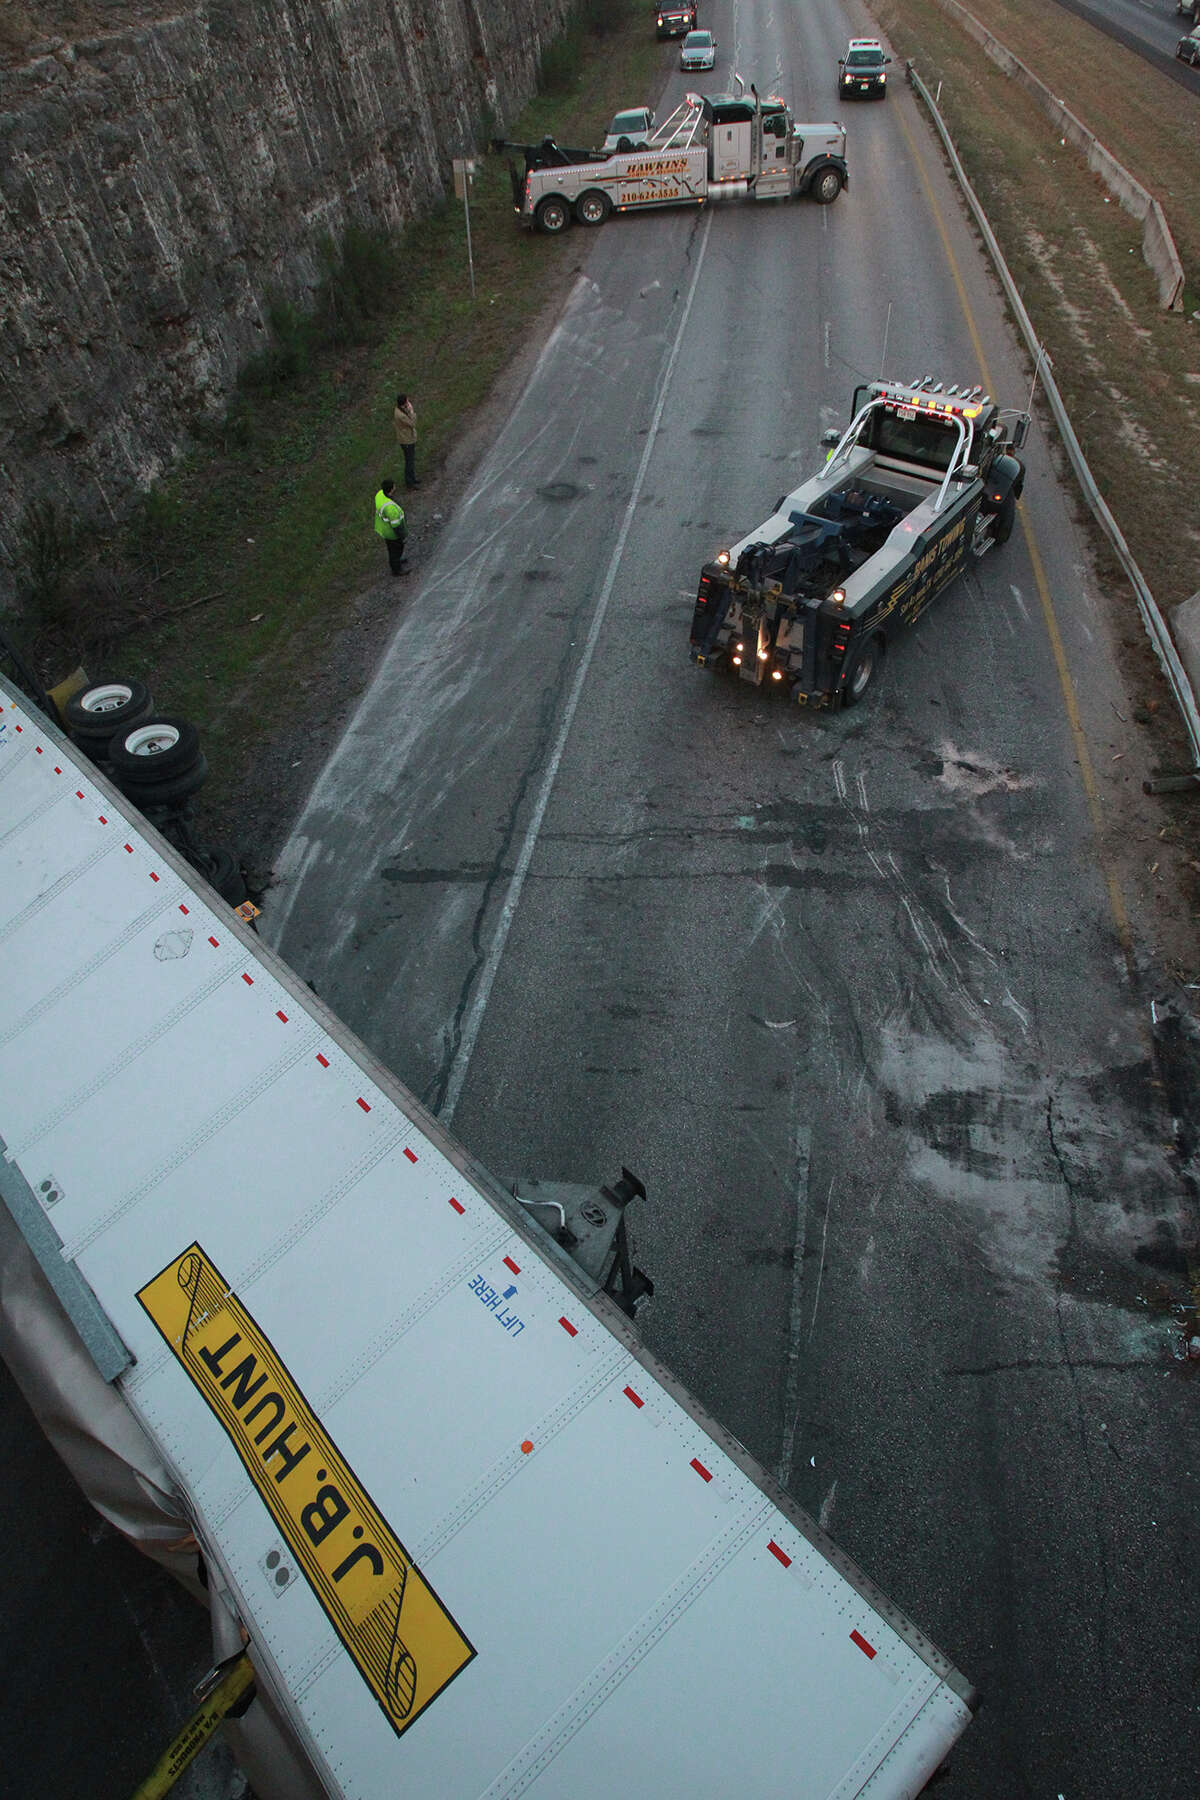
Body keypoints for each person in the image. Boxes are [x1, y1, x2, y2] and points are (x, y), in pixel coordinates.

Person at [373, 478, 407, 575]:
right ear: (391, 489)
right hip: (391, 532)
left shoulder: (379, 495)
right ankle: (396, 570)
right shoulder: (390, 508)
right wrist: (402, 535)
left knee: (392, 549)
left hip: (382, 527)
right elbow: (396, 525)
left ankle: (396, 562)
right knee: (396, 548)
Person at [393, 393, 419, 487]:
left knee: (410, 460)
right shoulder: (401, 415)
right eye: (407, 401)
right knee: (409, 461)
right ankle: (409, 482)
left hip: (406, 438)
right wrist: (412, 412)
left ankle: (412, 478)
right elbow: (412, 423)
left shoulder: (399, 410)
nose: (409, 402)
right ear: (404, 403)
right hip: (406, 440)